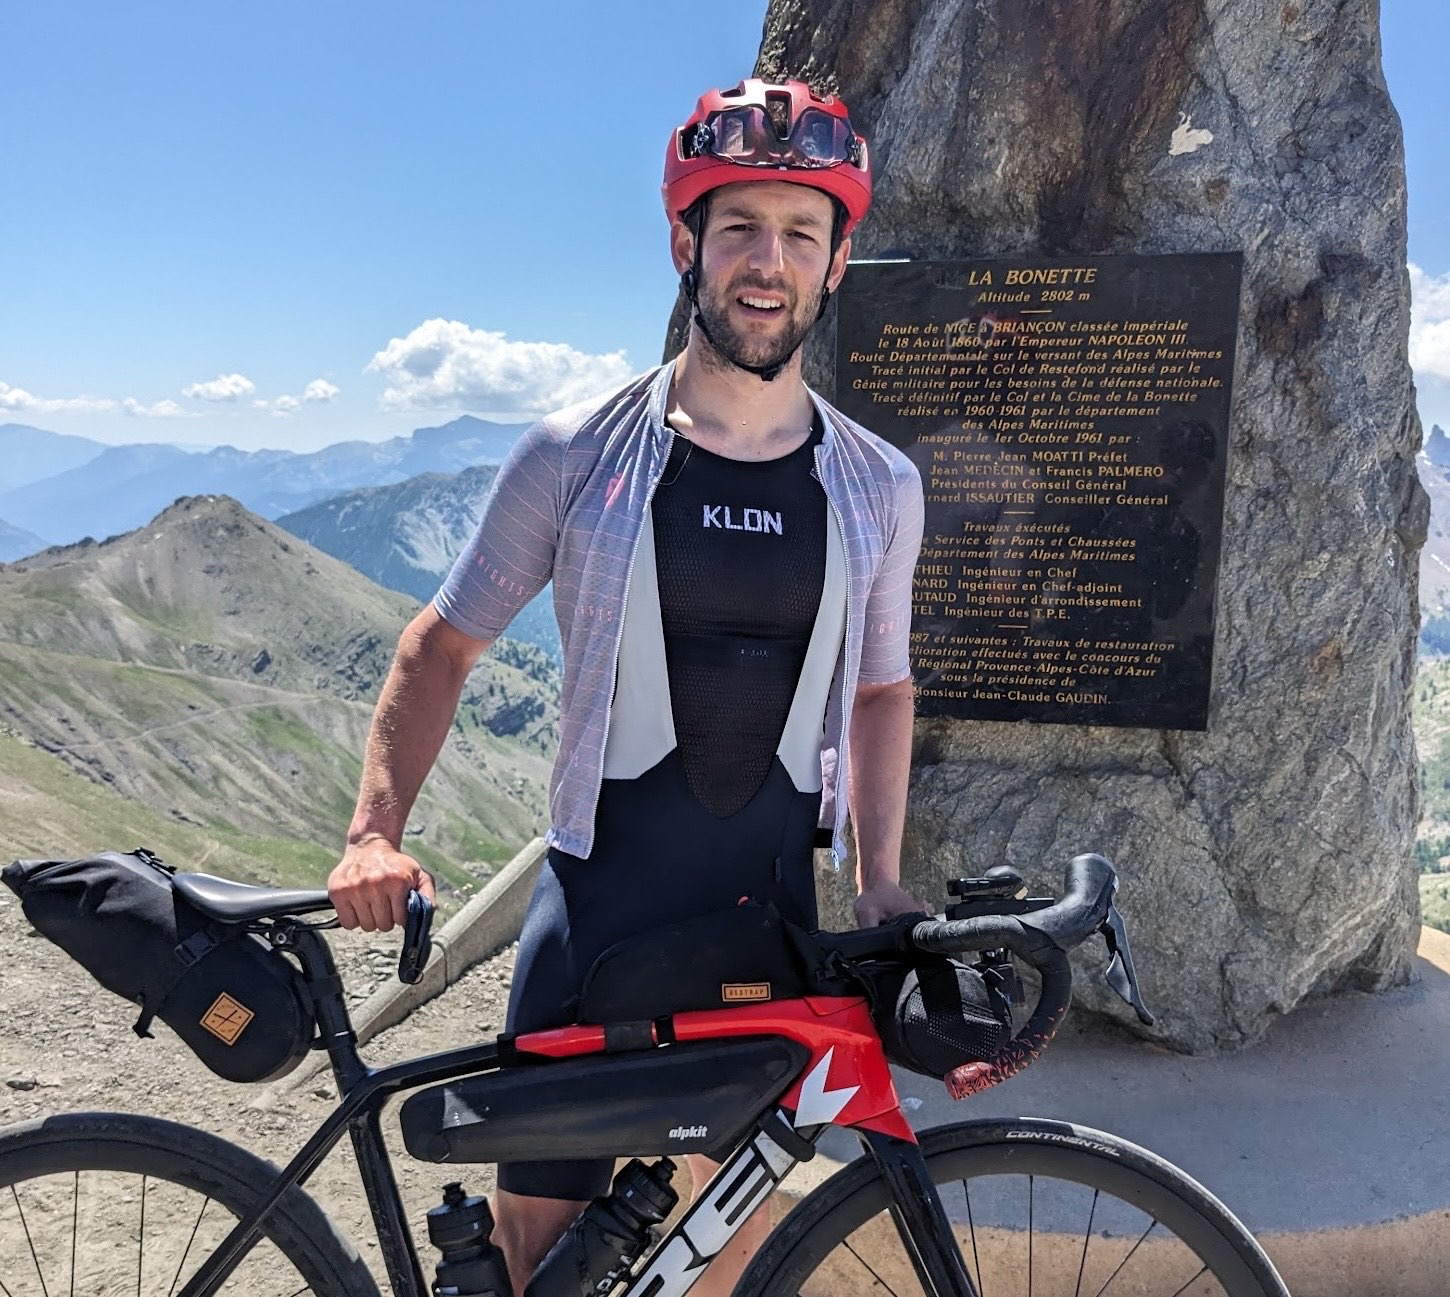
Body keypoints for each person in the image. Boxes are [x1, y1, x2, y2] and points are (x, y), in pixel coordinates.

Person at [327, 77, 927, 1297]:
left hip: (768, 932)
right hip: (596, 922)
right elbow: (439, 646)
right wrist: (372, 833)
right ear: (684, 244)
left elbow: (878, 690)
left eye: (800, 234)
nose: (768, 263)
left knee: (718, 1267)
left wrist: (879, 882)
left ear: (837, 262)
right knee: (537, 1264)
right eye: (740, 228)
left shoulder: (880, 485)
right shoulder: (575, 454)